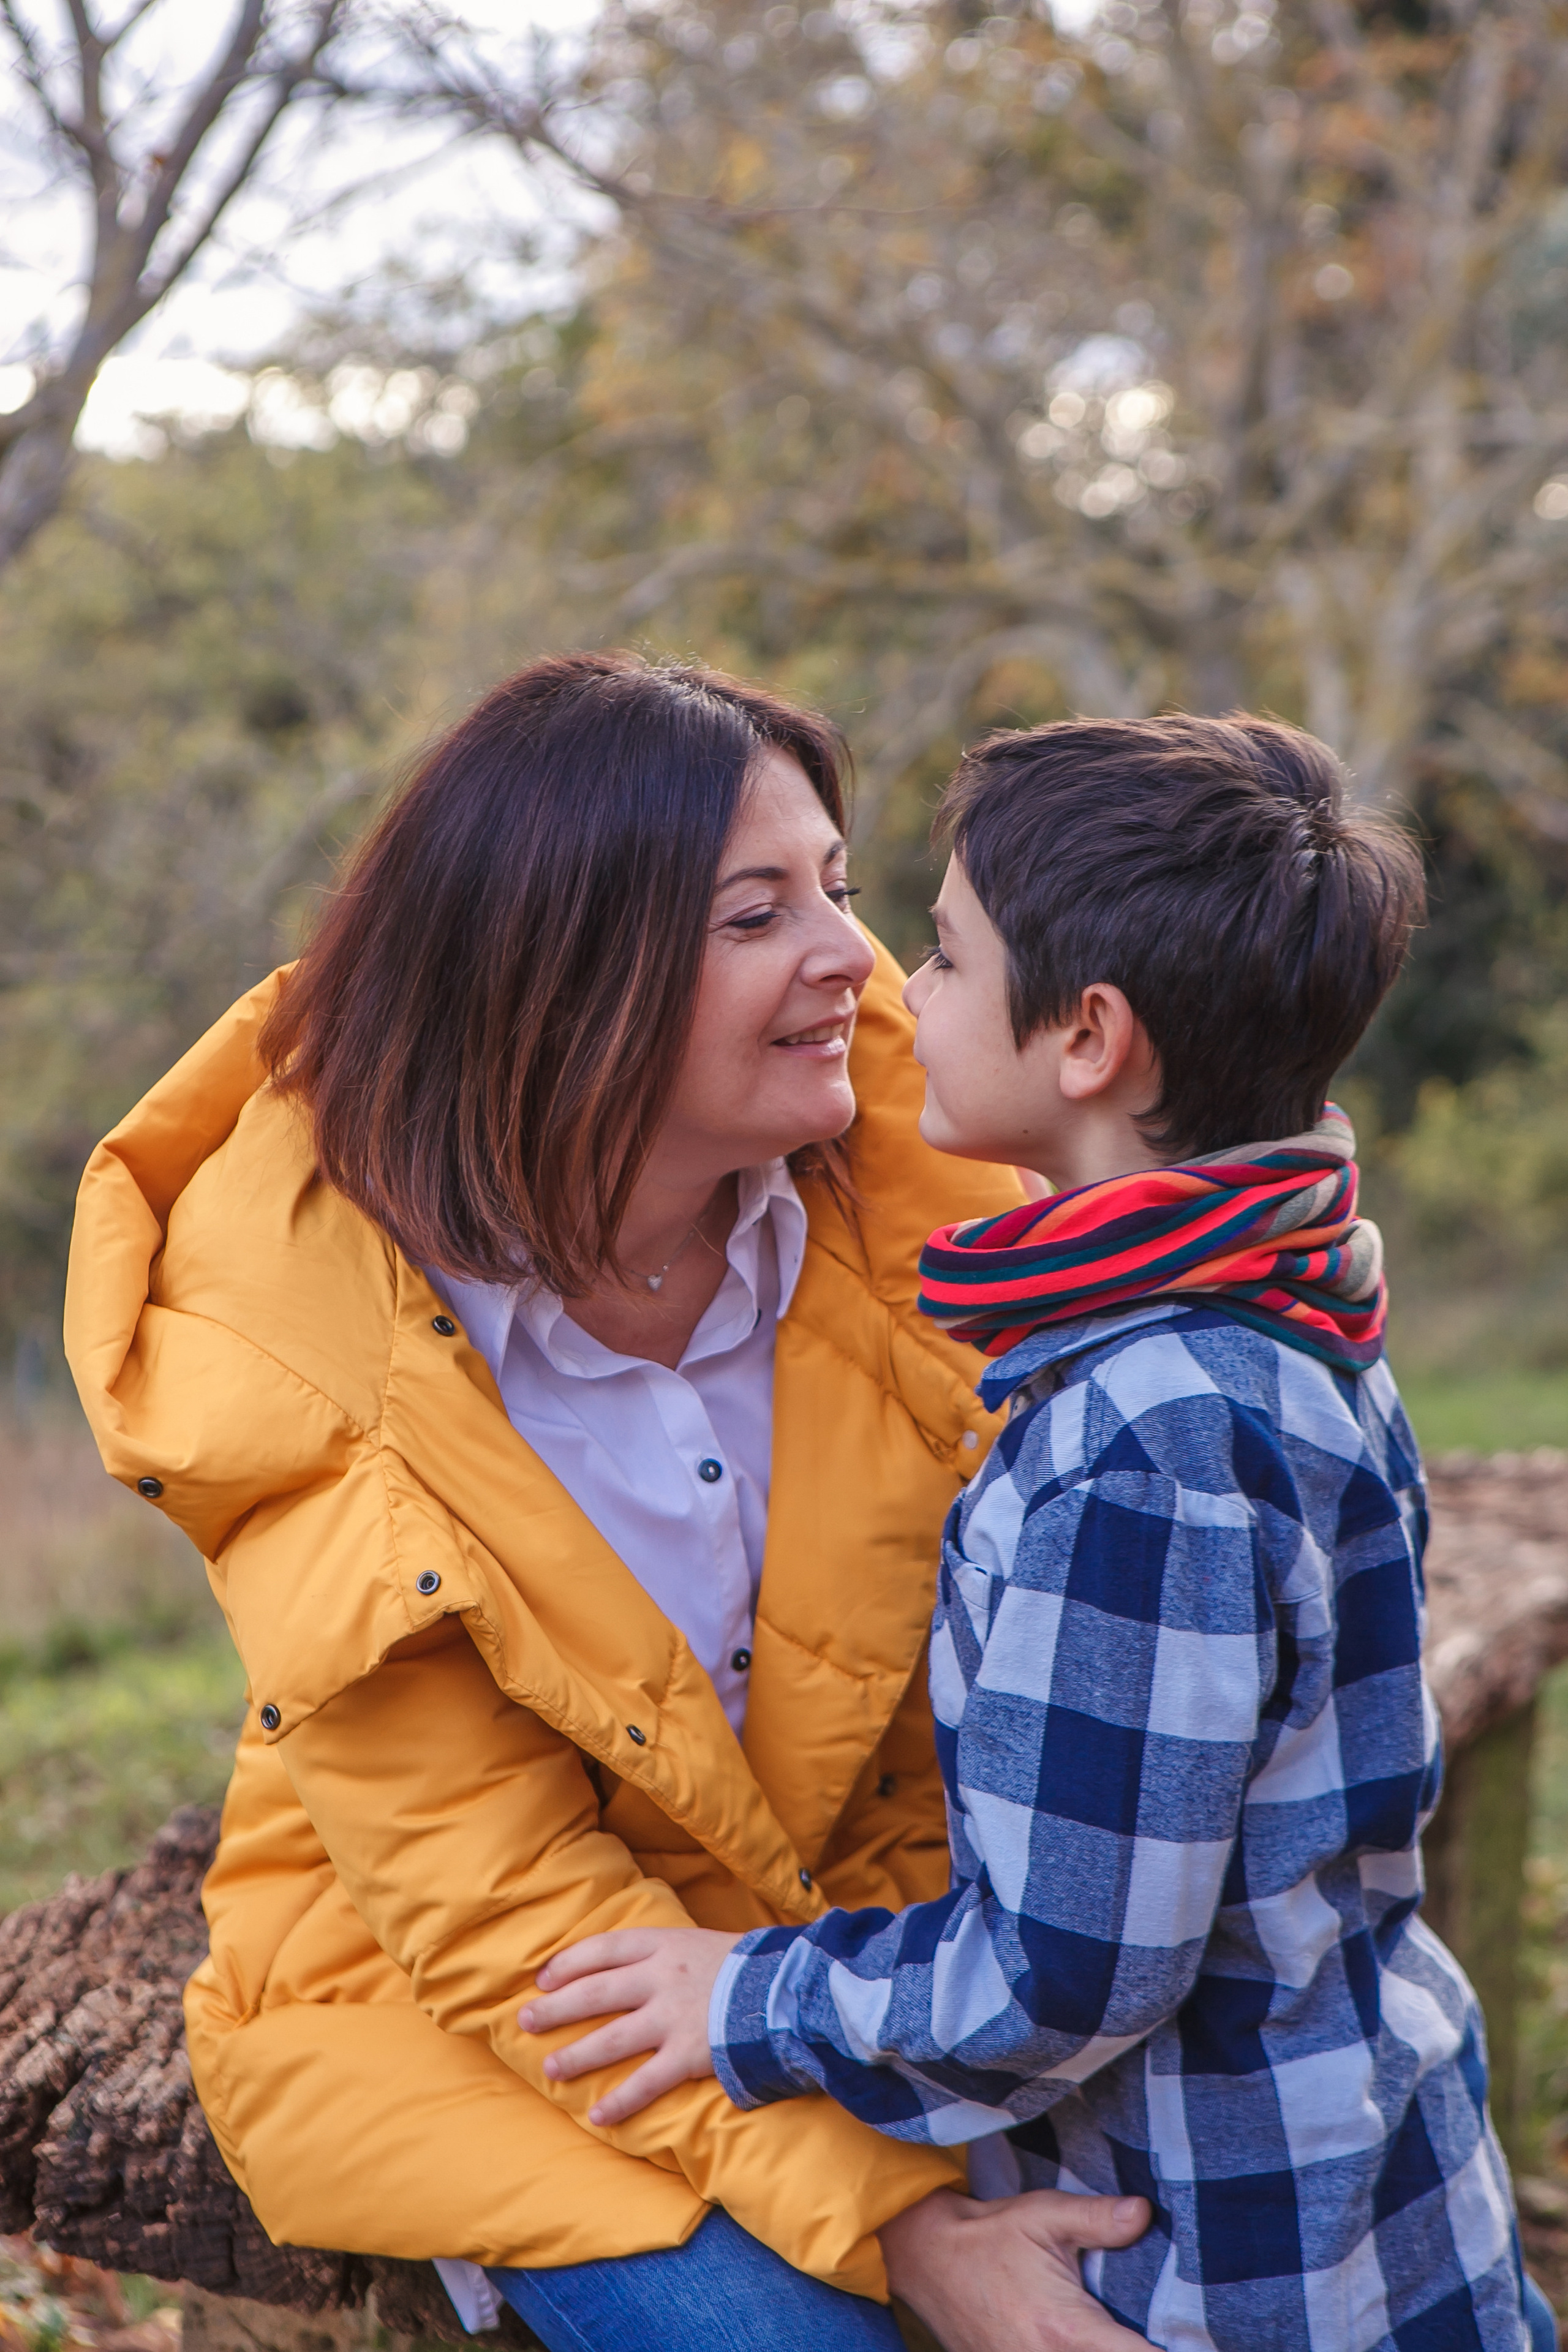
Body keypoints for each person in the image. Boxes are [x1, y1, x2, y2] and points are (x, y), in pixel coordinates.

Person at [64, 654, 1156, 2352]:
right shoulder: (299, 1352)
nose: (841, 960)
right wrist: (909, 2231)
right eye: (754, 915)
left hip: (868, 1939)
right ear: (560, 972)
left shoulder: (922, 1172)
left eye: (844, 895)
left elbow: (1203, 1263)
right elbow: (508, 1925)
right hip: (483, 1996)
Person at [516, 713, 1560, 2352]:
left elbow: (1060, 1976)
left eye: (936, 952)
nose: (889, 994)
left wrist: (745, 1998)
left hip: (1220, 2255)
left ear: (1088, 1040)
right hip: (1368, 2161)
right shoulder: (1280, 1296)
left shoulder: (1146, 1438)